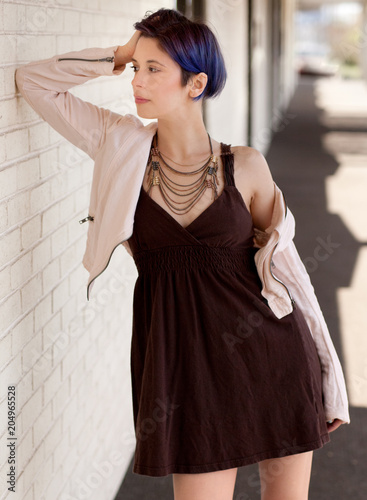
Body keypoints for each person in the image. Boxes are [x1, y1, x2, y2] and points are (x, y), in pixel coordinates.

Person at [15, 8, 350, 500]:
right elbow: (34, 81)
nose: (138, 81)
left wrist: (329, 375)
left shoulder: (247, 166)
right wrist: (122, 52)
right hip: (183, 369)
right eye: (137, 69)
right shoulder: (119, 144)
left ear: (196, 83)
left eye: (155, 70)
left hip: (272, 357)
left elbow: (290, 274)